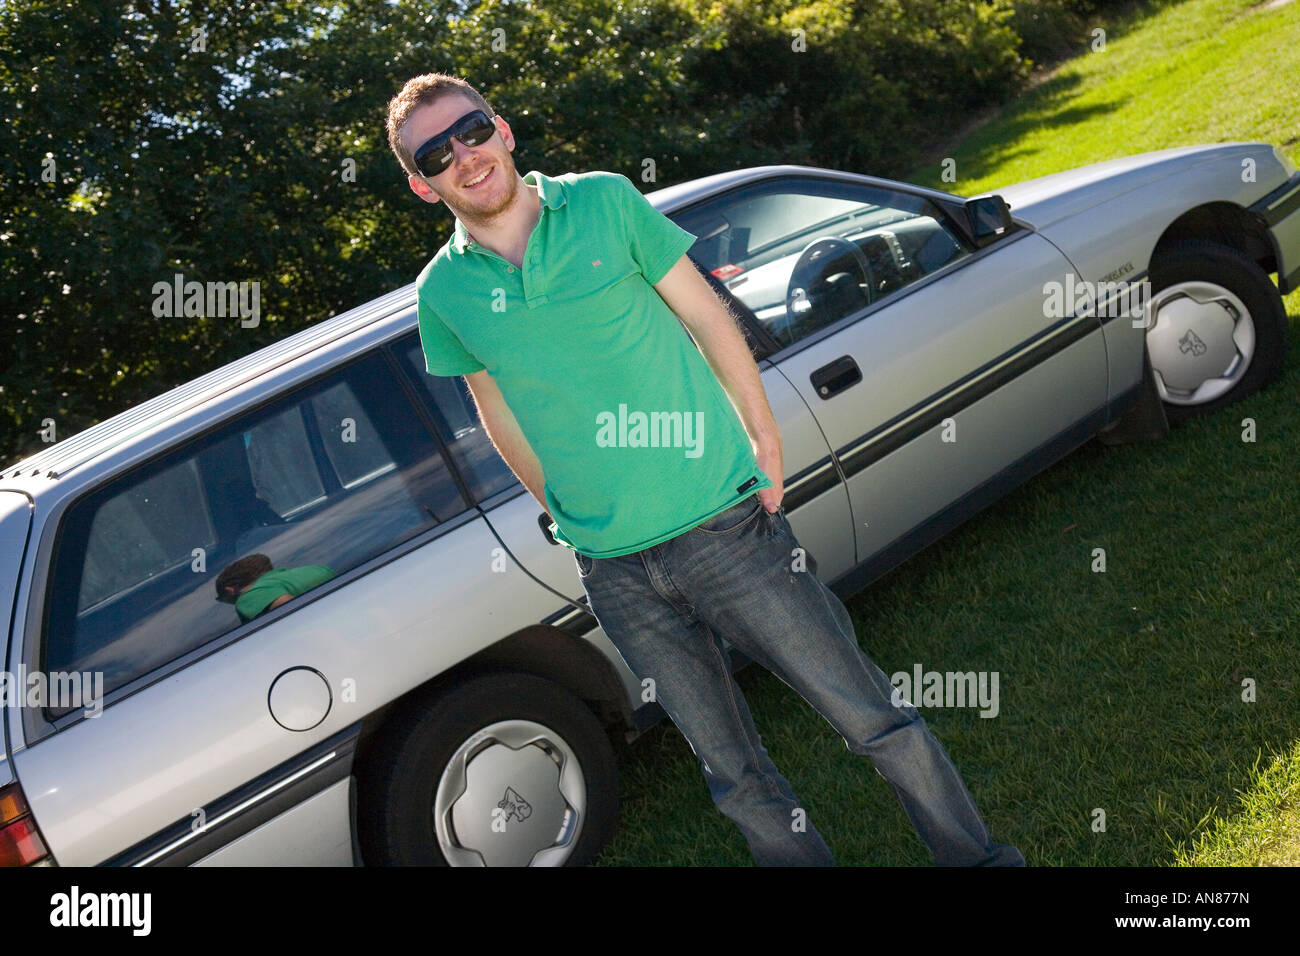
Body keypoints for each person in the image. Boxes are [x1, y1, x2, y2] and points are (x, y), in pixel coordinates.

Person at [385, 72, 1025, 866]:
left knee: (872, 718)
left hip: (725, 527)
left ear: (503, 129)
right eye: (437, 153)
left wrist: (764, 436)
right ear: (421, 183)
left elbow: (703, 312)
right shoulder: (444, 291)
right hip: (614, 573)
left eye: (472, 130)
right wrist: (562, 510)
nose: (464, 157)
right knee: (734, 777)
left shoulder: (603, 203)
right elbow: (496, 411)